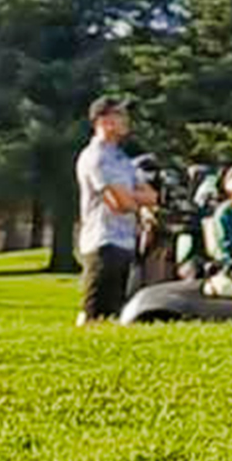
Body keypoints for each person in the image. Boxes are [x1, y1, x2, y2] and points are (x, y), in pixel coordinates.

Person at [74, 96, 157, 324]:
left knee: (114, 313)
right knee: (95, 312)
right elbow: (121, 204)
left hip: (125, 242)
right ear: (103, 120)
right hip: (103, 242)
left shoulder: (122, 159)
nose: (125, 120)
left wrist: (130, 195)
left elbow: (152, 196)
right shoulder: (96, 157)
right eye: (119, 114)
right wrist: (132, 197)